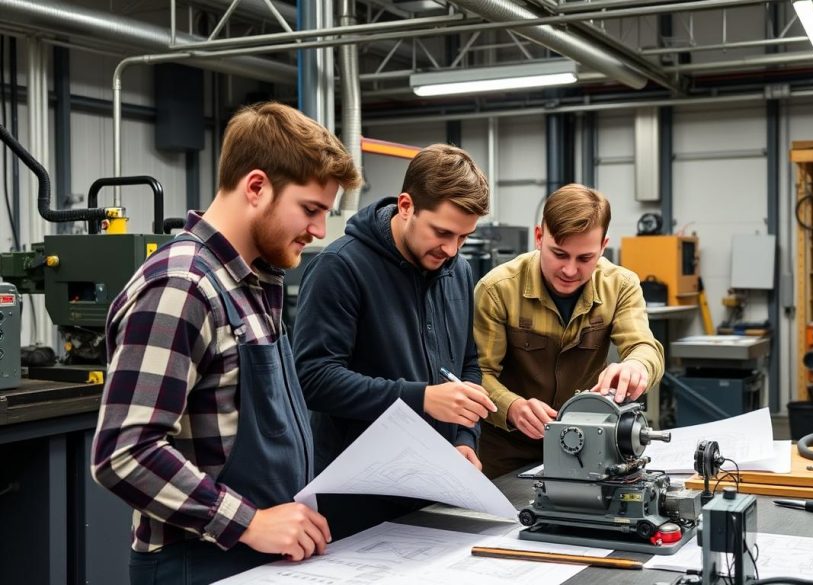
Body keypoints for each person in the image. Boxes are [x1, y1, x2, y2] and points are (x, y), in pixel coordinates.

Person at [91, 102, 361, 584]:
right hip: (196, 564)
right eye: (311, 209)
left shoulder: (253, 284)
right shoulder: (182, 286)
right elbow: (125, 453)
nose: (320, 230)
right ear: (256, 187)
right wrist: (249, 522)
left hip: (256, 557)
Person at [292, 144, 496, 537]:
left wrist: (466, 439)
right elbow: (312, 379)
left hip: (435, 490)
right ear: (406, 206)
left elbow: (468, 364)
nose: (451, 249)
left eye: (463, 238)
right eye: (442, 232)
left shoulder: (459, 271)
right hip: (356, 501)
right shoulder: (340, 267)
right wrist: (421, 398)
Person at [473, 183, 665, 478]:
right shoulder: (497, 289)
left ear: (603, 246)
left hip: (587, 449)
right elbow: (477, 373)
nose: (570, 270)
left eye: (585, 258)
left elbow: (644, 346)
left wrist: (636, 366)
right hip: (507, 453)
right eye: (559, 254)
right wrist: (510, 406)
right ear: (539, 237)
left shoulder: (621, 285)